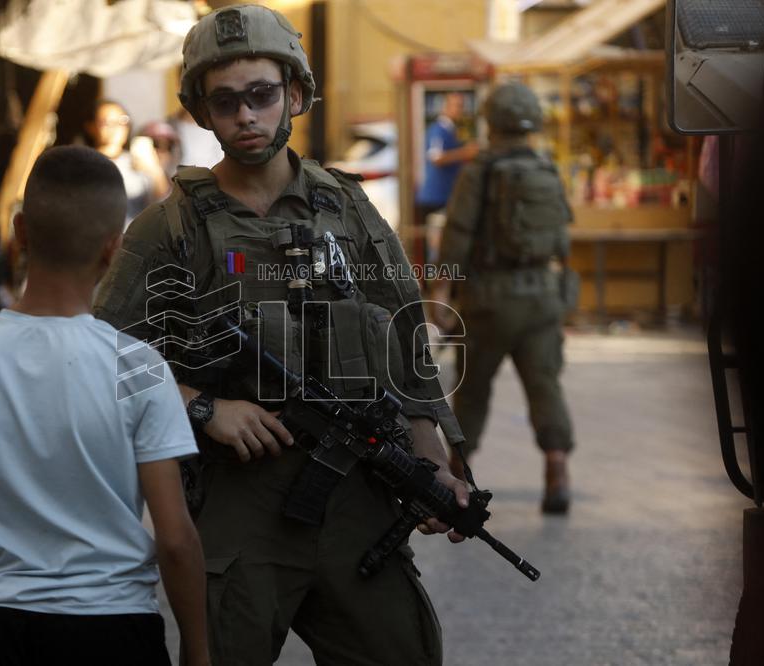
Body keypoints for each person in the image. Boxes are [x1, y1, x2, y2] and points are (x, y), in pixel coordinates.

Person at [94, 5, 469, 665]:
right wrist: (202, 408)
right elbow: (102, 357)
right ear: (202, 112)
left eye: (262, 96)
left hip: (357, 500)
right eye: (227, 101)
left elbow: (407, 339)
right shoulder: (170, 229)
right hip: (240, 513)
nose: (246, 116)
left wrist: (432, 459)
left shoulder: (348, 208)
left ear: (294, 95)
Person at [0, 146, 210, 665]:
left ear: (20, 231)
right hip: (118, 630)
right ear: (114, 249)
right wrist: (198, 655)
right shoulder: (139, 367)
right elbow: (175, 539)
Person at [431, 81, 576, 515]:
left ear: (491, 121)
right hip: (542, 296)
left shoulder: (481, 170)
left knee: (473, 389)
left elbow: (457, 236)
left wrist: (440, 294)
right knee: (544, 384)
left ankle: (458, 475)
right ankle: (557, 471)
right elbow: (561, 238)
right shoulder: (547, 168)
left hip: (490, 299)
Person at [415, 91, 479, 264]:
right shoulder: (439, 129)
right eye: (457, 106)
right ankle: (435, 284)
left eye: (462, 106)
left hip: (447, 195)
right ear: (446, 107)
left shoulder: (453, 130)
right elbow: (436, 157)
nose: (460, 110)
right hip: (436, 197)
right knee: (437, 244)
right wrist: (466, 153)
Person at [85, 100, 170, 228]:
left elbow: (164, 204)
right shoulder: (84, 163)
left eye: (122, 121)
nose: (116, 128)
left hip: (134, 241)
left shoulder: (137, 160)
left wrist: (154, 170)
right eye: (106, 122)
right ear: (91, 127)